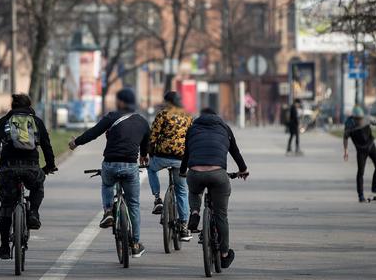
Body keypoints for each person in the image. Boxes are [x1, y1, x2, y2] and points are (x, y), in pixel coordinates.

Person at [69, 88, 150, 258]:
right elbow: (145, 144)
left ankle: (107, 212)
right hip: (130, 165)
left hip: (111, 164)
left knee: (107, 183)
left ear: (121, 101)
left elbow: (93, 133)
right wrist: (143, 156)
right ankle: (135, 243)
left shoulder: (111, 117)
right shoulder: (142, 121)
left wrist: (76, 142)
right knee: (133, 204)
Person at [0, 93, 56, 260]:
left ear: (13, 105)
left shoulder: (3, 122)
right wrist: (50, 165)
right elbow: (46, 145)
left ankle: (4, 246)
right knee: (38, 186)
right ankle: (33, 214)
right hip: (31, 168)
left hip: (8, 170)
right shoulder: (36, 122)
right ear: (29, 105)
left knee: (6, 205)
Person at [180, 108, 248, 269]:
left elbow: (187, 154)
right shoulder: (224, 127)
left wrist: (183, 172)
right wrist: (243, 170)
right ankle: (224, 254)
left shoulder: (192, 128)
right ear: (216, 116)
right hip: (218, 174)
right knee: (221, 215)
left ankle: (195, 212)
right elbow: (235, 152)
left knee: (195, 190)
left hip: (195, 173)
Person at [144, 91, 193, 241]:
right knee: (182, 192)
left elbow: (153, 136)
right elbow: (192, 136)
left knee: (151, 169)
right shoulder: (188, 116)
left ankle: (158, 199)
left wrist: (149, 152)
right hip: (181, 159)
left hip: (162, 157)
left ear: (168, 102)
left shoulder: (162, 114)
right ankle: (184, 227)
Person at [343, 106, 376, 202]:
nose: (360, 120)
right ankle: (361, 195)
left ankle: (374, 187)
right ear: (354, 117)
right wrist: (346, 150)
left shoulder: (366, 118)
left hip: (371, 146)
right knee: (360, 172)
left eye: (361, 118)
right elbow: (345, 137)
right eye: (358, 119)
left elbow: (375, 121)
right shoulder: (349, 124)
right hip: (360, 150)